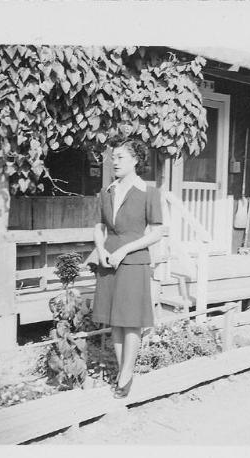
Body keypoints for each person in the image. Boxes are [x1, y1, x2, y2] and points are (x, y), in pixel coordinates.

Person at [92, 135, 164, 399]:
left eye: (121, 157)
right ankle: (123, 370)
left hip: (133, 261)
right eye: (113, 157)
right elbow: (99, 226)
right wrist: (101, 250)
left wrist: (124, 249)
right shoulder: (107, 191)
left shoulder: (149, 193)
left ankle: (126, 374)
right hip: (108, 262)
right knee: (115, 320)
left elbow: (156, 233)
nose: (114, 162)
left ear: (136, 160)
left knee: (130, 320)